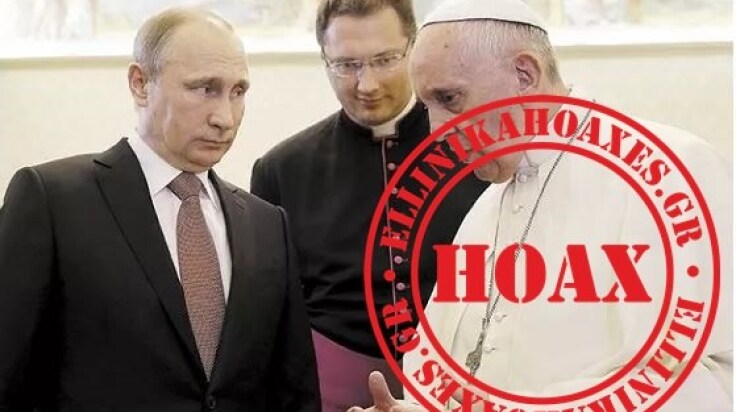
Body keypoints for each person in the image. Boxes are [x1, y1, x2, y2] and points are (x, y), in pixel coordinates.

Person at [351, 0, 733, 410]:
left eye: (451, 98)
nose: (436, 131)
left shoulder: (670, 172)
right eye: (429, 107)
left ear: (524, 74)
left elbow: (705, 381)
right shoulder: (486, 207)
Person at [0, 8, 319, 411]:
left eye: (238, 92)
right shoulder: (53, 202)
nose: (225, 117)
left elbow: (294, 393)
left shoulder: (267, 224)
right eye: (205, 88)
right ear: (140, 84)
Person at [250, 0, 488, 410]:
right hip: (330, 393)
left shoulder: (476, 149)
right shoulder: (281, 169)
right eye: (347, 65)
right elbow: (271, 316)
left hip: (459, 386)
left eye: (385, 60)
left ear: (413, 48)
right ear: (324, 60)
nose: (368, 84)